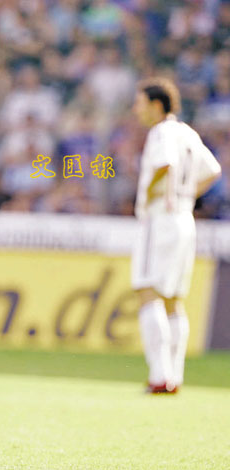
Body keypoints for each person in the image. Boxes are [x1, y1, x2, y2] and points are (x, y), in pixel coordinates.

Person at [132, 78, 221, 394]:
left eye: (140, 103)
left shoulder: (161, 132)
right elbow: (213, 170)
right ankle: (174, 375)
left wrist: (155, 193)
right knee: (173, 300)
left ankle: (159, 375)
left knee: (148, 291)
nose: (136, 110)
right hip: (185, 218)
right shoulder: (188, 133)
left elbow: (165, 164)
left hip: (161, 218)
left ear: (156, 105)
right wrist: (187, 194)